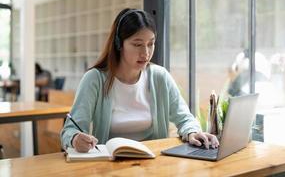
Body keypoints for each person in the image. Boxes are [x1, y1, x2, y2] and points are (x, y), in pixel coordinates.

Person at [60, 8, 219, 153]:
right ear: (118, 44)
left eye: (151, 44)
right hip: (109, 165)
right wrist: (74, 139)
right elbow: (70, 130)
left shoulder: (160, 77)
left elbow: (185, 118)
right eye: (137, 44)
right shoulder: (95, 79)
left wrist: (192, 132)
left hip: (154, 163)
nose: (146, 53)